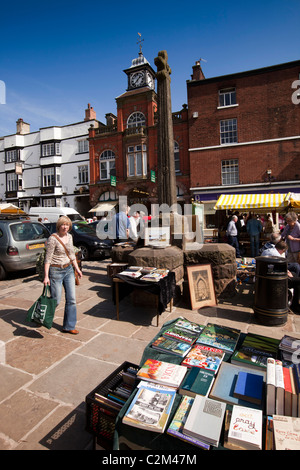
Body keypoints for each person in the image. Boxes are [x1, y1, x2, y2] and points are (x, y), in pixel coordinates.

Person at [43, 216, 82, 334]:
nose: (65, 227)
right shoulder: (53, 239)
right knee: (56, 300)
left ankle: (69, 326)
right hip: (56, 271)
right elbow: (48, 258)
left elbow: (71, 254)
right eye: (63, 224)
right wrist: (46, 276)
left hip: (68, 270)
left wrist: (77, 269)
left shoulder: (70, 237)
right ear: (58, 226)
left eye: (67, 224)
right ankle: (43, 316)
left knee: (72, 299)